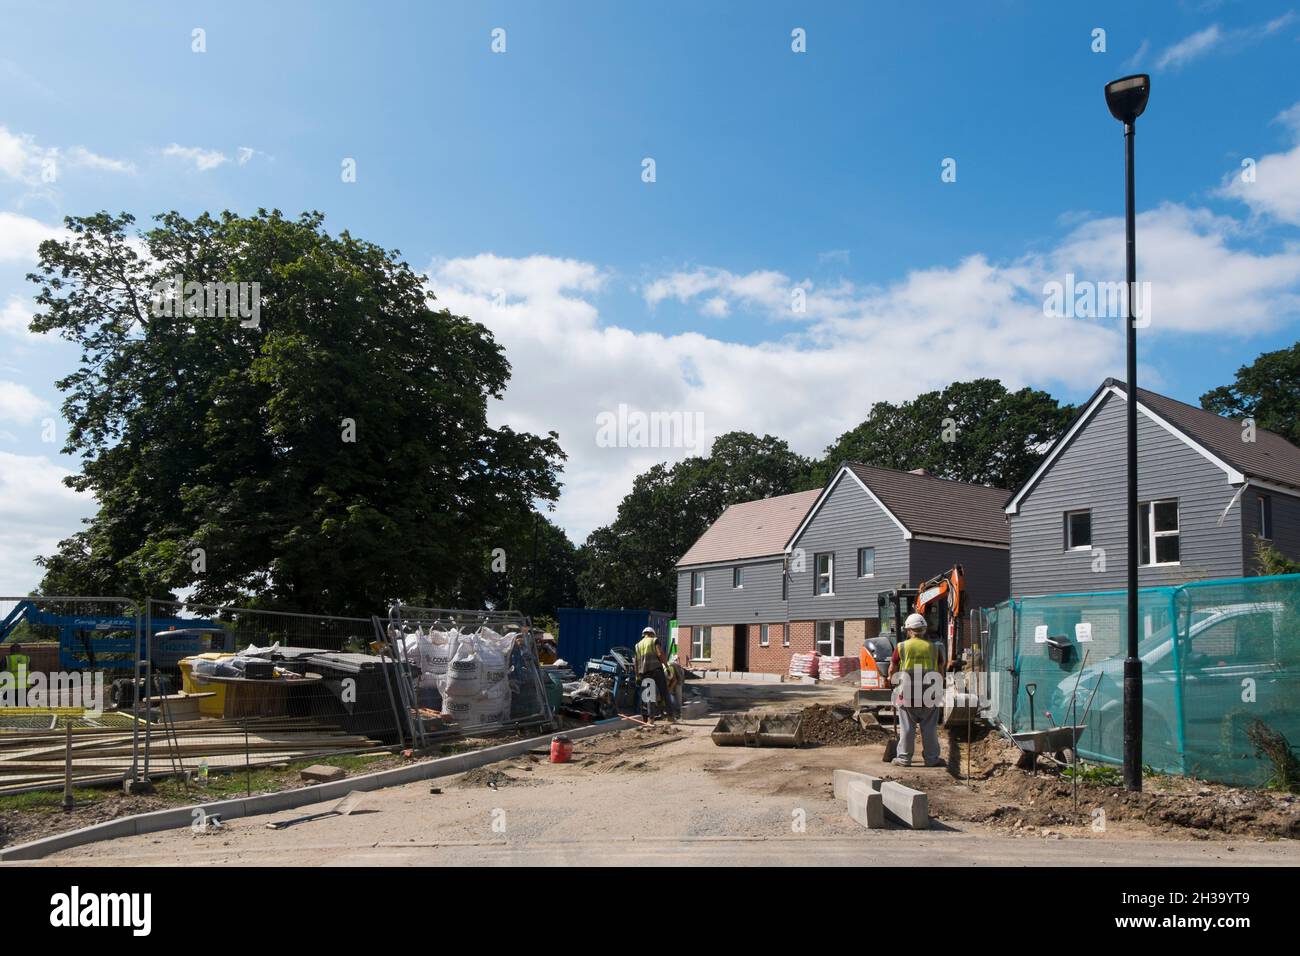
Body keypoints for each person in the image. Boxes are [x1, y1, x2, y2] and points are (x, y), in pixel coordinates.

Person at [887, 613, 945, 768]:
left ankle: (904, 759)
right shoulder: (934, 648)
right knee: (930, 728)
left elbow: (892, 668)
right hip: (929, 694)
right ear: (924, 629)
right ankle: (932, 759)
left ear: (908, 630)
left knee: (906, 727)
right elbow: (940, 671)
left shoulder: (901, 647)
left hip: (907, 693)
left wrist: (891, 681)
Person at [634, 626, 671, 720]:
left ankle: (651, 719)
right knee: (664, 693)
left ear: (644, 634)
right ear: (652, 634)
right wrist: (666, 666)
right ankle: (670, 716)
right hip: (657, 671)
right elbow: (660, 654)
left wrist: (637, 676)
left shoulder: (637, 645)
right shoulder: (654, 640)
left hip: (645, 673)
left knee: (649, 695)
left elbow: (636, 662)